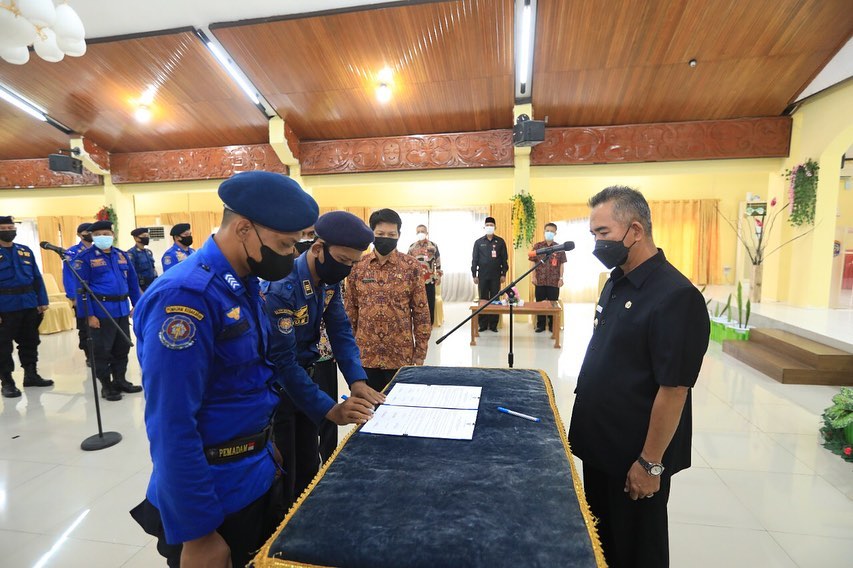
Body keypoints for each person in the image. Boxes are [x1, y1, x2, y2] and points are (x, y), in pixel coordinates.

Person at [130, 171, 374, 568]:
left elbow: (257, 377)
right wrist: (198, 533)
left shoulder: (242, 285)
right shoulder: (186, 299)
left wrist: (266, 444)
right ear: (244, 229)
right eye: (285, 244)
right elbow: (171, 423)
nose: (291, 254)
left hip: (254, 473)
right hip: (214, 493)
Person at [568, 186, 710, 568]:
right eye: (593, 234)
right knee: (603, 542)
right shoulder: (617, 281)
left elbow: (674, 389)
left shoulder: (675, 296)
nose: (597, 243)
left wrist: (650, 464)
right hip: (602, 444)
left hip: (635, 453)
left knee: (636, 550)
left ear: (635, 230)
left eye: (603, 233)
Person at [264, 211, 385, 508]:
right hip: (278, 391)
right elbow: (283, 363)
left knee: (308, 465)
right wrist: (331, 409)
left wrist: (357, 381)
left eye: (354, 263)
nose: (347, 269)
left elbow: (340, 329)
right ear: (318, 248)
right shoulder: (282, 287)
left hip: (306, 382)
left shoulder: (328, 280)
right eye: (343, 260)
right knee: (284, 471)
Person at [345, 208, 431, 393]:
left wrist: (420, 353)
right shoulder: (357, 266)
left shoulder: (412, 267)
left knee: (399, 406)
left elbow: (421, 312)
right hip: (365, 356)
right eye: (380, 234)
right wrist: (348, 353)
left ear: (399, 235)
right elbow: (350, 311)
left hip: (400, 356)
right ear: (371, 234)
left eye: (391, 234)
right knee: (366, 408)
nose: (386, 238)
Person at [72, 220, 142, 401]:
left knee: (122, 348)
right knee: (102, 351)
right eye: (98, 235)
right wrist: (89, 315)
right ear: (92, 237)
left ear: (113, 235)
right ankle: (106, 385)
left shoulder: (121, 255)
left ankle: (120, 380)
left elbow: (133, 283)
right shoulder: (85, 258)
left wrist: (138, 305)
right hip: (101, 311)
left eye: (106, 234)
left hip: (121, 309)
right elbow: (81, 289)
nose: (103, 237)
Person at [0, 216, 53, 398]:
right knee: (3, 346)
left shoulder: (25, 251)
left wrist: (42, 300)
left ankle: (31, 375)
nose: (8, 231)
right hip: (5, 306)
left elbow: (37, 277)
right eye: (4, 228)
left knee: (30, 341)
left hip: (28, 303)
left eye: (11, 228)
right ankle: (7, 381)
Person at [62, 222, 94, 365]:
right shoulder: (72, 252)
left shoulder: (97, 250)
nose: (90, 234)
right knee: (85, 326)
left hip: (96, 295)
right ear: (79, 235)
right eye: (87, 232)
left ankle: (99, 353)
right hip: (81, 295)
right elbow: (68, 276)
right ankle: (89, 354)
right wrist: (73, 297)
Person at [471, 216, 508, 332]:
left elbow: (504, 260)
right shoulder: (478, 242)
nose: (489, 227)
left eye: (491, 225)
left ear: (495, 227)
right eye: (487, 225)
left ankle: (493, 324)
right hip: (482, 275)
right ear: (484, 227)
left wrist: (503, 274)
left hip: (496, 276)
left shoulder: (500, 241)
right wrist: (474, 275)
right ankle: (482, 324)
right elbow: (474, 260)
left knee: (495, 299)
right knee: (483, 299)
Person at [531, 222, 567, 333]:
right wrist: (533, 277)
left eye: (551, 231)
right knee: (540, 303)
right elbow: (533, 262)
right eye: (547, 231)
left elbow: (561, 264)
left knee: (553, 303)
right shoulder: (537, 246)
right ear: (544, 232)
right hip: (540, 280)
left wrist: (561, 278)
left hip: (554, 281)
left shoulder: (559, 248)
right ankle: (541, 325)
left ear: (555, 233)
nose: (549, 233)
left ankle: (552, 325)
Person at [407, 224, 443, 325]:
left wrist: (438, 275)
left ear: (427, 233)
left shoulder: (433, 246)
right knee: (417, 303)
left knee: (430, 303)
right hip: (416, 281)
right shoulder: (412, 247)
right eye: (418, 232)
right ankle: (418, 323)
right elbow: (408, 264)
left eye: (422, 231)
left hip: (429, 280)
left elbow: (438, 262)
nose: (420, 233)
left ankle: (429, 324)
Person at [127, 227, 158, 292]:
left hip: (152, 286)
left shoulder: (148, 252)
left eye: (147, 236)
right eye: (144, 236)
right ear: (136, 238)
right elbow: (131, 274)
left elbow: (153, 268)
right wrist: (139, 291)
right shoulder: (132, 254)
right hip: (141, 287)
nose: (147, 238)